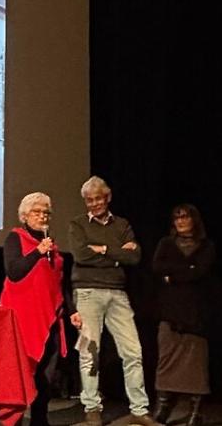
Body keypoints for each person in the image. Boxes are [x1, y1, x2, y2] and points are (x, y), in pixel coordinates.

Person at [68, 176, 159, 426]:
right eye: (89, 200)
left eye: (98, 198)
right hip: (87, 292)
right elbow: (81, 255)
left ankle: (139, 410)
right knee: (90, 353)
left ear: (107, 198)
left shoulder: (122, 224)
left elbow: (136, 257)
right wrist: (118, 252)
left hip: (118, 293)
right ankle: (92, 409)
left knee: (133, 352)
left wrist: (103, 249)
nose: (94, 204)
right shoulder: (77, 224)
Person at [0, 192, 73, 426]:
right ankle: (12, 421)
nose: (42, 216)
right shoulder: (15, 238)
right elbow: (14, 272)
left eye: (46, 213)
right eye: (37, 212)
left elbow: (59, 283)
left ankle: (40, 420)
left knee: (46, 377)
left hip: (50, 317)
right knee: (19, 375)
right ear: (25, 215)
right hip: (22, 318)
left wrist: (72, 311)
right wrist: (38, 252)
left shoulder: (52, 245)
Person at [150, 203, 216, 426]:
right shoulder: (166, 244)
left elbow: (201, 271)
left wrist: (174, 274)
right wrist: (186, 270)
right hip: (170, 311)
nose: (180, 221)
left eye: (185, 217)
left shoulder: (206, 246)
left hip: (195, 313)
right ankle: (164, 407)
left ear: (194, 220)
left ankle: (195, 411)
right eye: (177, 218)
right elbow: (157, 267)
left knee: (196, 363)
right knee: (166, 359)